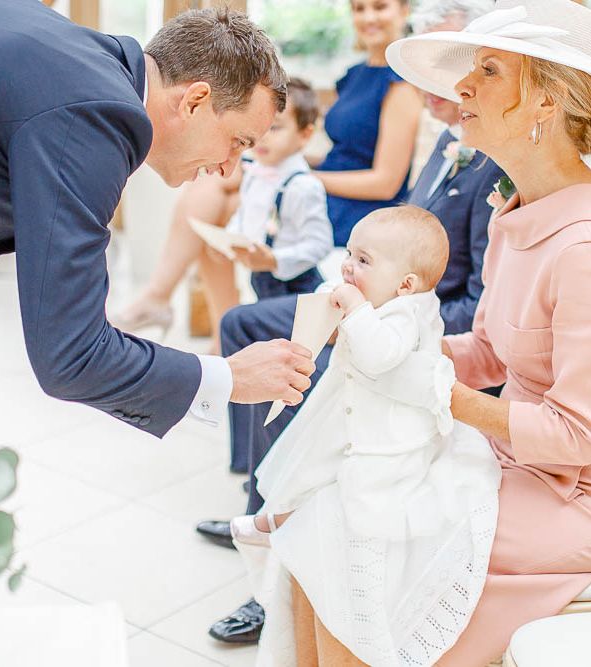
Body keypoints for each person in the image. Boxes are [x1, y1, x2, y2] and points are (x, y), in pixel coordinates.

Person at [283, 0, 591, 662]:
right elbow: (482, 352)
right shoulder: (515, 214)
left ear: (546, 103)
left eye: (487, 70)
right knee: (319, 514)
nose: (461, 88)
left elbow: (575, 436)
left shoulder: (581, 248)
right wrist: (373, 336)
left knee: (347, 527)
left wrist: (430, 390)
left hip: (570, 495)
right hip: (507, 455)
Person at [0, 2, 317, 439]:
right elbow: (71, 354)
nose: (229, 168)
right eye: (237, 141)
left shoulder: (74, 59)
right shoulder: (97, 115)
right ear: (195, 101)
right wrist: (230, 377)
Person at [201, 0, 500, 644]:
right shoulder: (448, 146)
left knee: (264, 331)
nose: (442, 83)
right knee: (247, 325)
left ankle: (273, 522)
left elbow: (473, 304)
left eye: (455, 66)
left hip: (406, 324)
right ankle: (259, 499)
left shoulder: (491, 169)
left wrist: (379, 321)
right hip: (375, 297)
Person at [231, 206, 501, 666]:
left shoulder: (407, 317)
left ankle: (274, 521)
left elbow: (380, 356)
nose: (348, 266)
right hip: (353, 413)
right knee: (303, 458)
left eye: (364, 260)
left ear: (406, 285)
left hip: (390, 439)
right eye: (350, 254)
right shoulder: (385, 302)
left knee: (330, 474)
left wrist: (354, 310)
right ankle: (273, 517)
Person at [115, 0, 422, 350]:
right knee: (216, 199)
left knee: (221, 201)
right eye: (359, 9)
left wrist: (296, 177)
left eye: (379, 7)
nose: (368, 17)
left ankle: (172, 307)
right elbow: (342, 151)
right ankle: (218, 330)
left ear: (404, 12)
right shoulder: (352, 77)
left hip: (351, 205)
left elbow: (385, 181)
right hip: (321, 181)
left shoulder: (400, 86)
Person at [223, 78, 333, 300]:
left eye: (275, 128)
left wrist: (275, 259)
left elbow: (320, 244)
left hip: (297, 290)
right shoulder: (254, 174)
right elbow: (246, 214)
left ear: (305, 135)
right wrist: (231, 239)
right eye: (258, 126)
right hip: (261, 280)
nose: (262, 138)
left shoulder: (303, 186)